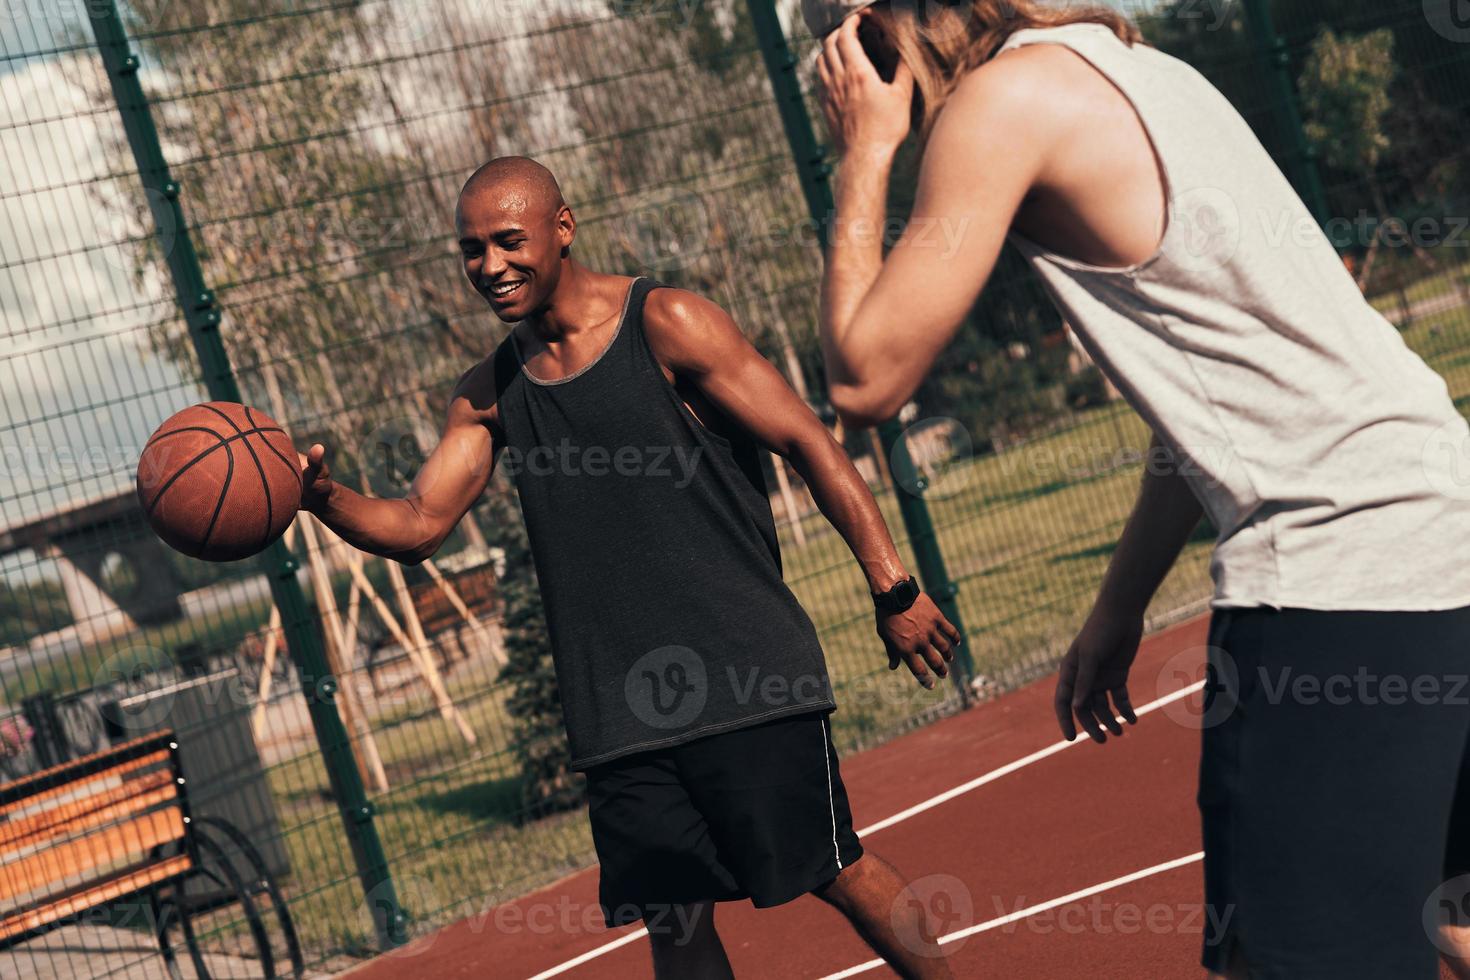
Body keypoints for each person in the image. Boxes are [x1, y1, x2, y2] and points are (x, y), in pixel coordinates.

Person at [803, 1, 1470, 977]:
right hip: (1441, 526)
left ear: (874, 31)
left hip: (1338, 575)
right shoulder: (1142, 69)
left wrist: (862, 153)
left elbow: (863, 377)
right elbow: (1225, 402)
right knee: (1440, 921)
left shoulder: (1002, 104)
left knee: (1290, 957)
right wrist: (1120, 604)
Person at [297, 155, 961, 979]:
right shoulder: (489, 393)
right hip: (620, 713)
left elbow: (808, 442)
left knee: (835, 870)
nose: (491, 267)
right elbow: (420, 523)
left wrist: (891, 585)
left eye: (509, 241)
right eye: (471, 250)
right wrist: (322, 498)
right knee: (673, 925)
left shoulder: (669, 322)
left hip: (749, 678)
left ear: (563, 228)